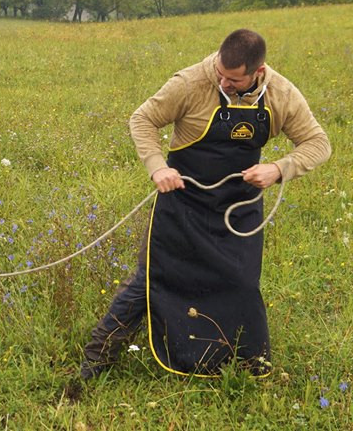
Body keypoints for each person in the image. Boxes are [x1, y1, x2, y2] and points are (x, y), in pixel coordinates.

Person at [79, 29, 331, 379]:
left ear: (257, 72)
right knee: (149, 281)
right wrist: (158, 168)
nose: (223, 81)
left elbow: (318, 143)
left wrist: (278, 168)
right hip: (181, 202)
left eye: (233, 79)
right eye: (220, 73)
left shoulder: (282, 95)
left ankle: (235, 366)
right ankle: (96, 360)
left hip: (238, 211)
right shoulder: (190, 82)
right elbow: (142, 119)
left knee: (241, 284)